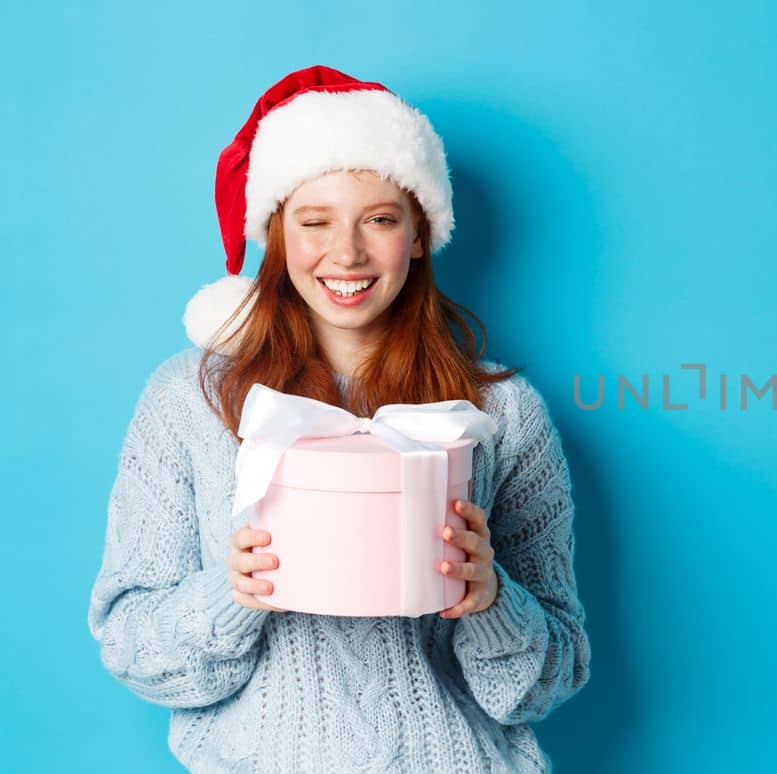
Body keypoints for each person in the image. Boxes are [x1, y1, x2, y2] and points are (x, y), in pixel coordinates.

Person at [86, 65, 590, 773]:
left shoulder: (500, 413)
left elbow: (552, 679)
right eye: (314, 222)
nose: (346, 253)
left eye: (380, 220)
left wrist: (491, 598)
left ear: (419, 234)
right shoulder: (188, 402)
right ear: (276, 236)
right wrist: (235, 593)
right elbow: (132, 651)